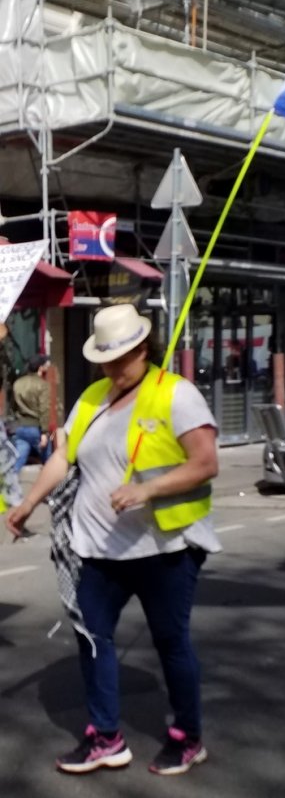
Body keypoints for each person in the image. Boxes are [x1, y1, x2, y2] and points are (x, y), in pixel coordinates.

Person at [6, 304, 220, 776]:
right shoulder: (94, 396)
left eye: (121, 358)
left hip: (163, 548)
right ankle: (106, 737)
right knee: (93, 638)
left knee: (171, 643)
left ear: (143, 349)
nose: (113, 368)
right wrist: (28, 503)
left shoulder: (177, 395)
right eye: (105, 359)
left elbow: (205, 463)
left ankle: (188, 736)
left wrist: (147, 488)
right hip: (97, 549)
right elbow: (64, 458)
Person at [10, 354, 53, 471]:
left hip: (20, 427)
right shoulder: (42, 385)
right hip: (36, 429)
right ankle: (53, 488)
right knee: (48, 464)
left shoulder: (17, 383)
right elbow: (44, 409)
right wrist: (44, 432)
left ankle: (6, 487)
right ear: (40, 367)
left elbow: (13, 406)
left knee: (16, 464)